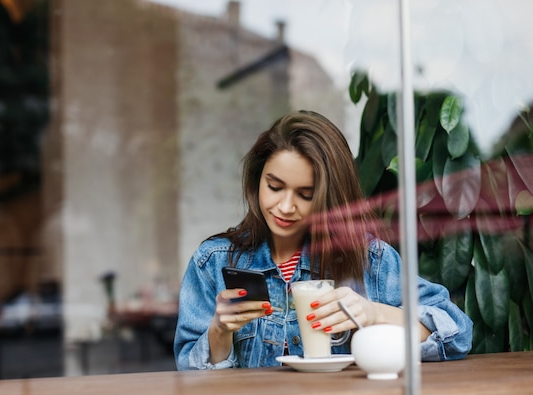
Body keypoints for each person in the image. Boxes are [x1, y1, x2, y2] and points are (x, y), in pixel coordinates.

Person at [173, 110, 473, 370]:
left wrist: (373, 313)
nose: (286, 207)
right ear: (257, 180)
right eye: (274, 187)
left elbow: (456, 333)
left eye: (306, 195)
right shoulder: (213, 262)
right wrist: (219, 331)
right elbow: (188, 372)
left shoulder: (370, 260)